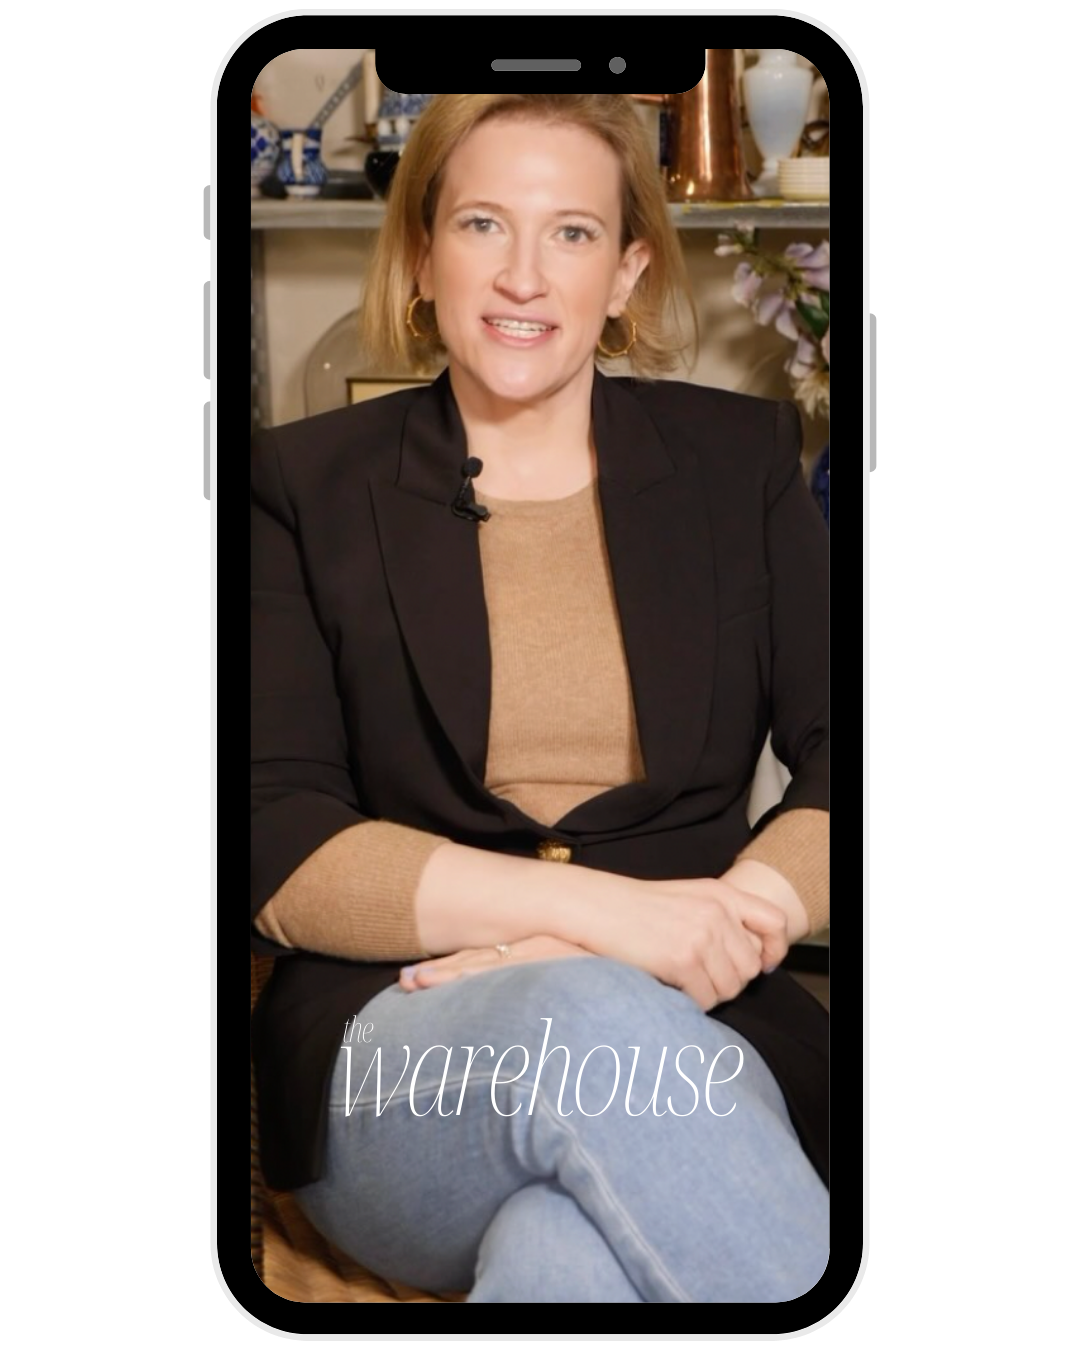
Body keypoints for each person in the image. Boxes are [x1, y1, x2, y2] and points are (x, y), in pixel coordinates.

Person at [251, 92, 830, 1304]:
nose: (523, 276)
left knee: (564, 1261)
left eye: (570, 233)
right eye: (480, 226)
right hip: (400, 1054)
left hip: (699, 1025)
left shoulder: (741, 466)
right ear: (420, 254)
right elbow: (275, 830)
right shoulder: (299, 487)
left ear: (626, 272)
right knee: (577, 1011)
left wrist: (708, 921)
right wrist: (614, 930)